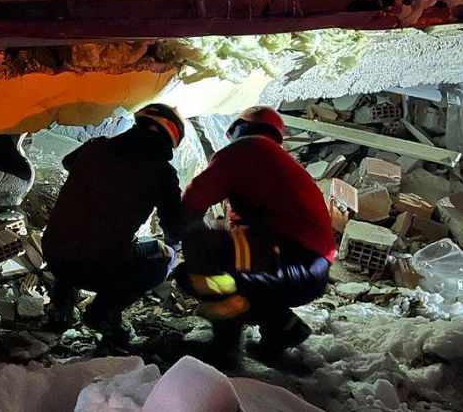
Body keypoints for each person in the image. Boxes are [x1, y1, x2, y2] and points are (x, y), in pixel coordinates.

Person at [176, 106, 334, 362]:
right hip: (309, 271)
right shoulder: (278, 164)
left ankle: (224, 347)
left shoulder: (245, 148)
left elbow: (193, 199)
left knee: (201, 255)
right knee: (235, 268)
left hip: (287, 258)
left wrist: (178, 236)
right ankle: (282, 327)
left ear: (238, 129)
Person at [42, 104, 185, 346]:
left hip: (54, 253)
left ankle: (60, 305)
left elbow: (69, 162)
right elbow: (175, 228)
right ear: (170, 140)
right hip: (100, 265)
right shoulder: (162, 173)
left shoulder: (97, 146)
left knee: (78, 233)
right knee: (163, 255)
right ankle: (104, 313)